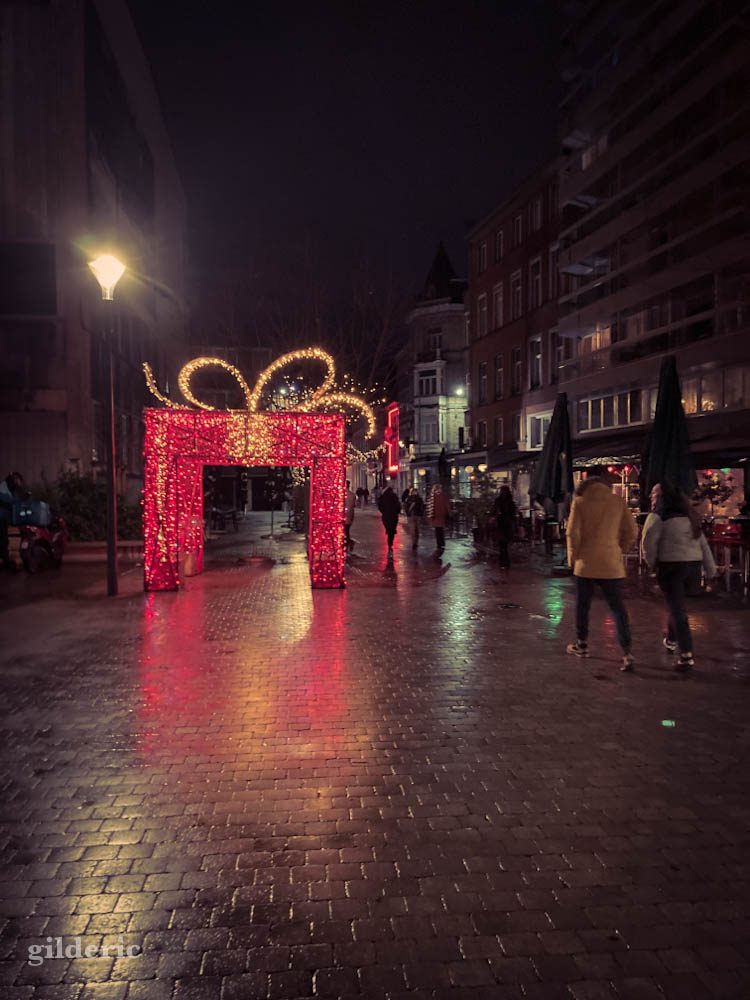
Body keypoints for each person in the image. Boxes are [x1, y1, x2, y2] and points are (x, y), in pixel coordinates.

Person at [566, 466, 638, 671]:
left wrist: (574, 558)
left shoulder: (579, 503)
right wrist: (619, 548)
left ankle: (582, 644)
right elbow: (632, 531)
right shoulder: (617, 501)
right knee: (618, 609)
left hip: (585, 564)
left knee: (582, 606)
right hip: (611, 563)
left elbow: (573, 534)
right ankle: (627, 652)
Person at [641, 481, 717, 672]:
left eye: (654, 493)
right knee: (677, 605)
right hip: (692, 567)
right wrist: (710, 570)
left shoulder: (657, 517)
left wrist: (651, 563)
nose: (651, 496)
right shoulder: (690, 516)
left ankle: (686, 655)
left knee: (677, 609)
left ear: (661, 497)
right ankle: (672, 640)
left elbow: (648, 542)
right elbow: (703, 544)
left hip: (671, 566)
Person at [0, 472, 23, 571]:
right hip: (0, 518)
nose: (17, 485)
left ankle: (5, 561)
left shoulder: (8, 489)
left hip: (3, 518)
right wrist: (19, 500)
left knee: (3, 540)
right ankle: (5, 562)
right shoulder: (2, 487)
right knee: (3, 540)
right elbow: (7, 500)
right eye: (16, 482)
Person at [492, 485, 516, 568]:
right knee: (504, 544)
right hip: (506, 524)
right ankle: (505, 562)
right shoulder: (510, 501)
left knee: (502, 544)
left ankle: (503, 562)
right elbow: (513, 514)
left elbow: (494, 510)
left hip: (503, 524)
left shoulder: (500, 501)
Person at [377, 484, 401, 558]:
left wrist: (383, 511)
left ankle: (389, 541)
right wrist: (396, 511)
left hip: (386, 515)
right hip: (393, 515)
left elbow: (379, 506)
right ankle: (390, 542)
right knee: (392, 529)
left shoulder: (382, 497)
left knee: (388, 528)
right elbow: (398, 506)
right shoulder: (394, 497)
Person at [428, 483, 451, 553]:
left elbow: (429, 507)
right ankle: (442, 543)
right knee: (440, 530)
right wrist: (449, 513)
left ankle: (439, 544)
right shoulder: (443, 496)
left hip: (435, 516)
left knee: (437, 530)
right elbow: (447, 505)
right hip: (441, 515)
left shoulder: (432, 496)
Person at [344, 480, 357, 551]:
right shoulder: (352, 495)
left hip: (343, 515)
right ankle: (348, 542)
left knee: (345, 530)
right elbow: (354, 505)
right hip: (350, 515)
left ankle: (348, 542)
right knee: (347, 529)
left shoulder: (342, 494)